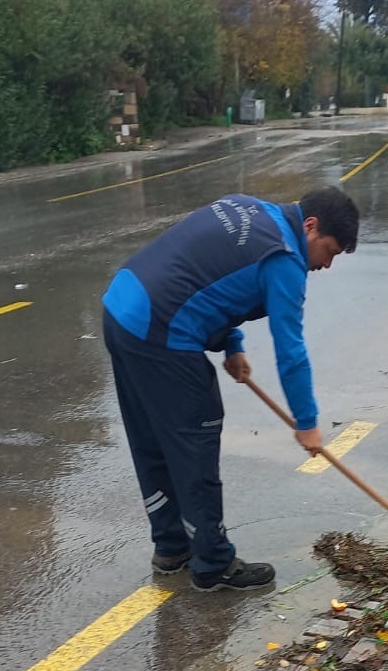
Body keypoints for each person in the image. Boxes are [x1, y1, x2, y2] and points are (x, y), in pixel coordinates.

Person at [102, 186, 359, 592]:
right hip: (161, 329)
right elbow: (290, 350)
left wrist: (232, 344)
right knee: (195, 440)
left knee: (152, 439)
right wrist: (307, 422)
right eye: (330, 251)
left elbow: (206, 270)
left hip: (121, 309)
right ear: (310, 227)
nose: (326, 265)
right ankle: (213, 562)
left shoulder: (247, 206)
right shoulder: (285, 259)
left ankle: (171, 548)